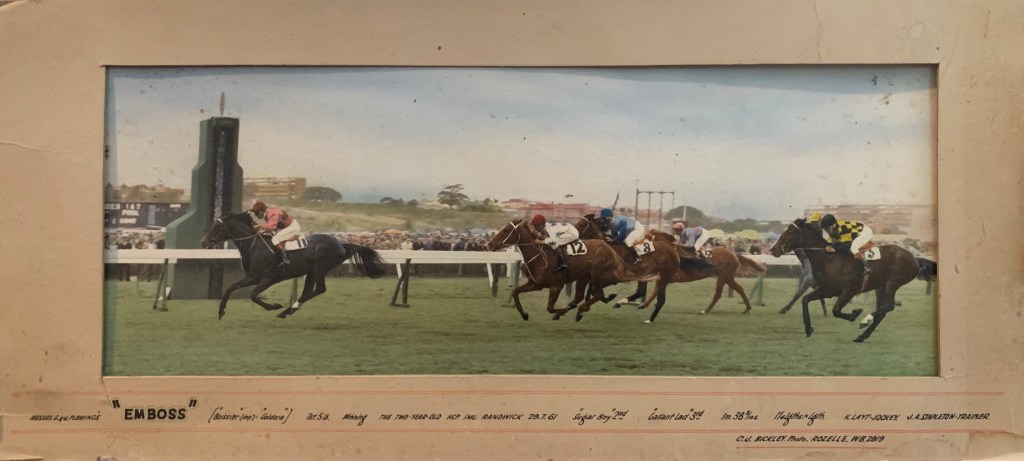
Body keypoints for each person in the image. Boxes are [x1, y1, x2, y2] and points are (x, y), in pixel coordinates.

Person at [250, 200, 301, 265]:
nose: (256, 215)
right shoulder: (268, 213)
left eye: (256, 213)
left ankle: (285, 258)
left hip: (293, 226)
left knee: (275, 239)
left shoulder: (271, 213)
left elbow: (272, 227)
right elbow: (271, 227)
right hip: (286, 226)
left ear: (260, 211)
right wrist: (261, 230)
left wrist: (259, 226)